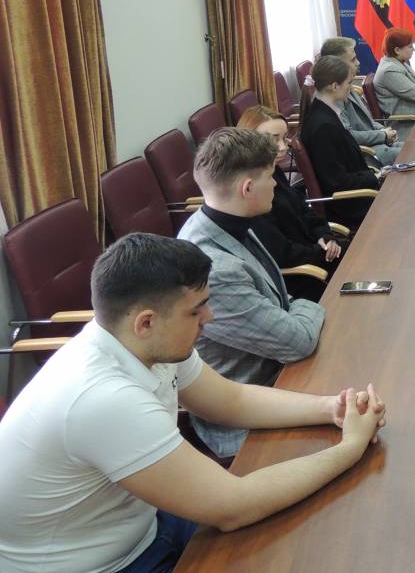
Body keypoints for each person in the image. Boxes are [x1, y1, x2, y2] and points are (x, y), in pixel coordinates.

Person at [0, 233, 385, 572]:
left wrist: (330, 409)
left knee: (304, 538)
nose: (209, 316)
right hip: (105, 564)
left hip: (143, 524)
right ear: (146, 322)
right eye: (196, 309)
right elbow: (234, 507)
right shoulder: (102, 398)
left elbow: (231, 400)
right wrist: (350, 447)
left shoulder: (140, 342)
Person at [177, 128, 327, 459]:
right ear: (247, 188)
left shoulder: (224, 222)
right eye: (270, 177)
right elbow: (298, 342)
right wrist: (310, 307)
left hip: (282, 371)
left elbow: (283, 302)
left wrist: (292, 311)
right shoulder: (216, 270)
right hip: (250, 415)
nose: (275, 184)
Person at [236, 105, 346, 279]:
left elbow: (304, 209)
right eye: (273, 140)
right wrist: (321, 250)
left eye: (284, 138)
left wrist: (325, 236)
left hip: (314, 253)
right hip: (304, 274)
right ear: (249, 141)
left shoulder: (274, 170)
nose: (283, 147)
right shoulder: (251, 192)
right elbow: (281, 253)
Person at [299, 56, 381, 230]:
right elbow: (337, 182)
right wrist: (374, 176)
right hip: (350, 206)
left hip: (357, 194)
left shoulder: (326, 114)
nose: (350, 87)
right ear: (334, 86)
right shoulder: (323, 126)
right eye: (348, 83)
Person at [318, 37, 400, 166]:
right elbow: (348, 135)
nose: (358, 63)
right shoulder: (335, 95)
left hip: (378, 144)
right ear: (337, 63)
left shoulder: (347, 86)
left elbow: (368, 122)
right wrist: (383, 135)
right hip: (367, 154)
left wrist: (385, 131)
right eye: (353, 60)